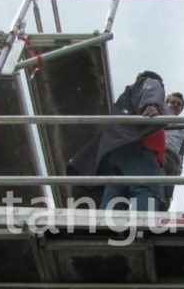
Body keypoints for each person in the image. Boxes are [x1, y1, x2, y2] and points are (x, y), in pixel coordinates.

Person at [67, 71, 168, 211]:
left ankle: (108, 229)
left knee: (115, 196)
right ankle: (143, 227)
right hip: (138, 148)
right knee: (147, 188)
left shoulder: (125, 98)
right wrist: (151, 105)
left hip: (116, 150)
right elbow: (151, 90)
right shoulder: (150, 82)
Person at [159, 92, 184, 211]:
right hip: (160, 154)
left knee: (167, 195)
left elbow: (182, 152)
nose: (176, 105)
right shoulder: (160, 117)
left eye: (179, 104)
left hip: (174, 160)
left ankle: (161, 220)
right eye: (173, 102)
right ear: (166, 104)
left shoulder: (183, 131)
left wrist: (180, 167)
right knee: (157, 188)